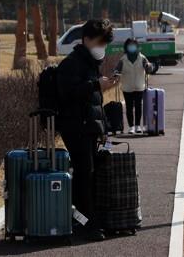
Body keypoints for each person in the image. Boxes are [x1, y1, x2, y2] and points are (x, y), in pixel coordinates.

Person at [57, 19, 116, 241]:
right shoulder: (72, 63)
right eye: (100, 42)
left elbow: (92, 99)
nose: (102, 48)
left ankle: (87, 219)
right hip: (75, 126)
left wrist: (103, 126)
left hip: (88, 126)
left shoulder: (89, 62)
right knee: (83, 174)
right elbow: (68, 94)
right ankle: (85, 223)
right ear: (87, 39)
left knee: (89, 174)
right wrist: (95, 85)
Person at [114, 38, 154, 134]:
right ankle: (131, 127)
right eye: (129, 45)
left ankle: (137, 126)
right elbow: (117, 70)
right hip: (127, 87)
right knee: (129, 107)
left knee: (138, 107)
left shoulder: (142, 58)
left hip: (139, 86)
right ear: (126, 47)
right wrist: (115, 73)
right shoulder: (123, 59)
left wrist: (149, 66)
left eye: (133, 45)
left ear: (136, 46)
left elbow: (149, 69)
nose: (131, 47)